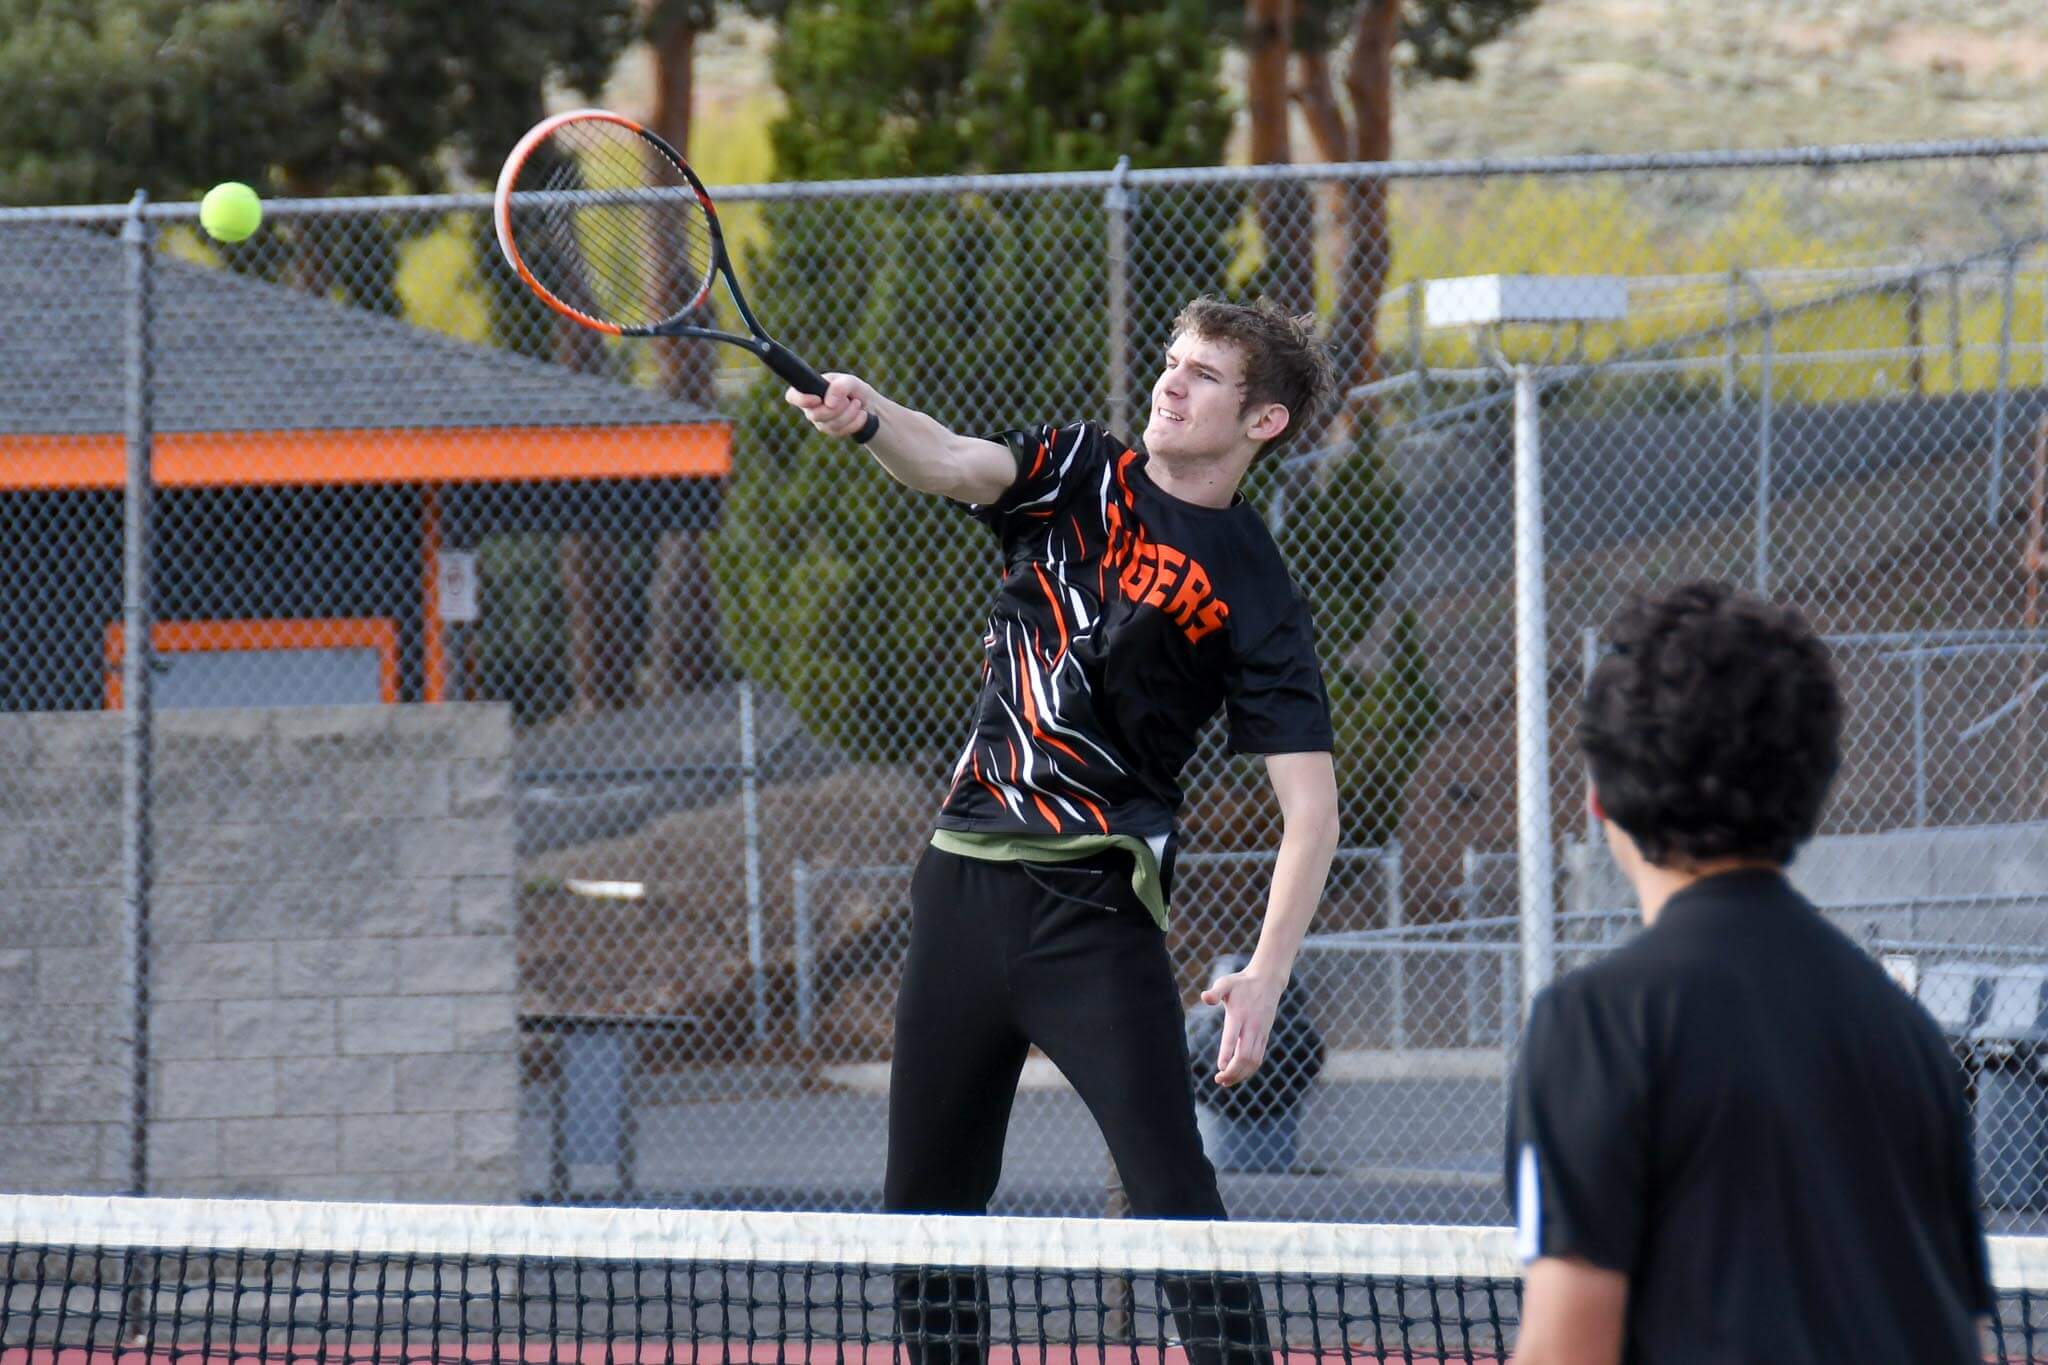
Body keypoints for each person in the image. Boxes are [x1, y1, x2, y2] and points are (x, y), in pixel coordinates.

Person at [788, 297, 1341, 1363]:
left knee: (1178, 1202)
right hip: (958, 894)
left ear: (1261, 421)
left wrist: (1266, 972)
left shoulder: (1254, 587)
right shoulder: (1082, 469)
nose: (1169, 384)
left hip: (1091, 916)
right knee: (925, 1211)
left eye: (1203, 375)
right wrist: (865, 418)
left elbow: (1309, 813)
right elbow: (951, 459)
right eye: (1170, 363)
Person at [1507, 581, 1994, 1365]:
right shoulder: (1912, 1036)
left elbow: (1568, 1346)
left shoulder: (1592, 1024)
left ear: (1599, 797)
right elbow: (1961, 1335)